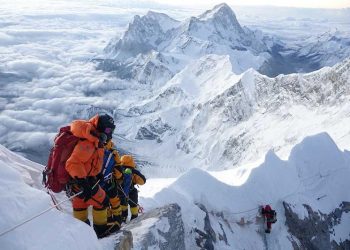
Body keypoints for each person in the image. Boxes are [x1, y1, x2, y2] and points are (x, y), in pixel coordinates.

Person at [65, 114, 116, 238]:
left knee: (80, 205)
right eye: (109, 130)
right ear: (101, 128)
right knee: (103, 202)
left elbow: (90, 161)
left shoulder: (94, 139)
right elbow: (72, 163)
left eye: (112, 130)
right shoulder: (88, 142)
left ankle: (83, 234)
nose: (110, 134)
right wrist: (83, 182)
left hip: (77, 183)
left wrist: (96, 174)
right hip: (81, 182)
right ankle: (101, 232)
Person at [98, 139, 123, 233]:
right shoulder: (113, 154)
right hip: (109, 183)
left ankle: (107, 220)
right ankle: (118, 219)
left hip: (96, 184)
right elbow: (118, 173)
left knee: (103, 203)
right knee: (114, 201)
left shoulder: (94, 149)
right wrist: (119, 177)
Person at [118, 155, 146, 222]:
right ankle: (134, 217)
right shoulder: (133, 171)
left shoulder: (118, 169)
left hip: (120, 192)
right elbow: (143, 181)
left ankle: (123, 218)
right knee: (133, 204)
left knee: (123, 204)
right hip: (131, 191)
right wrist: (135, 172)